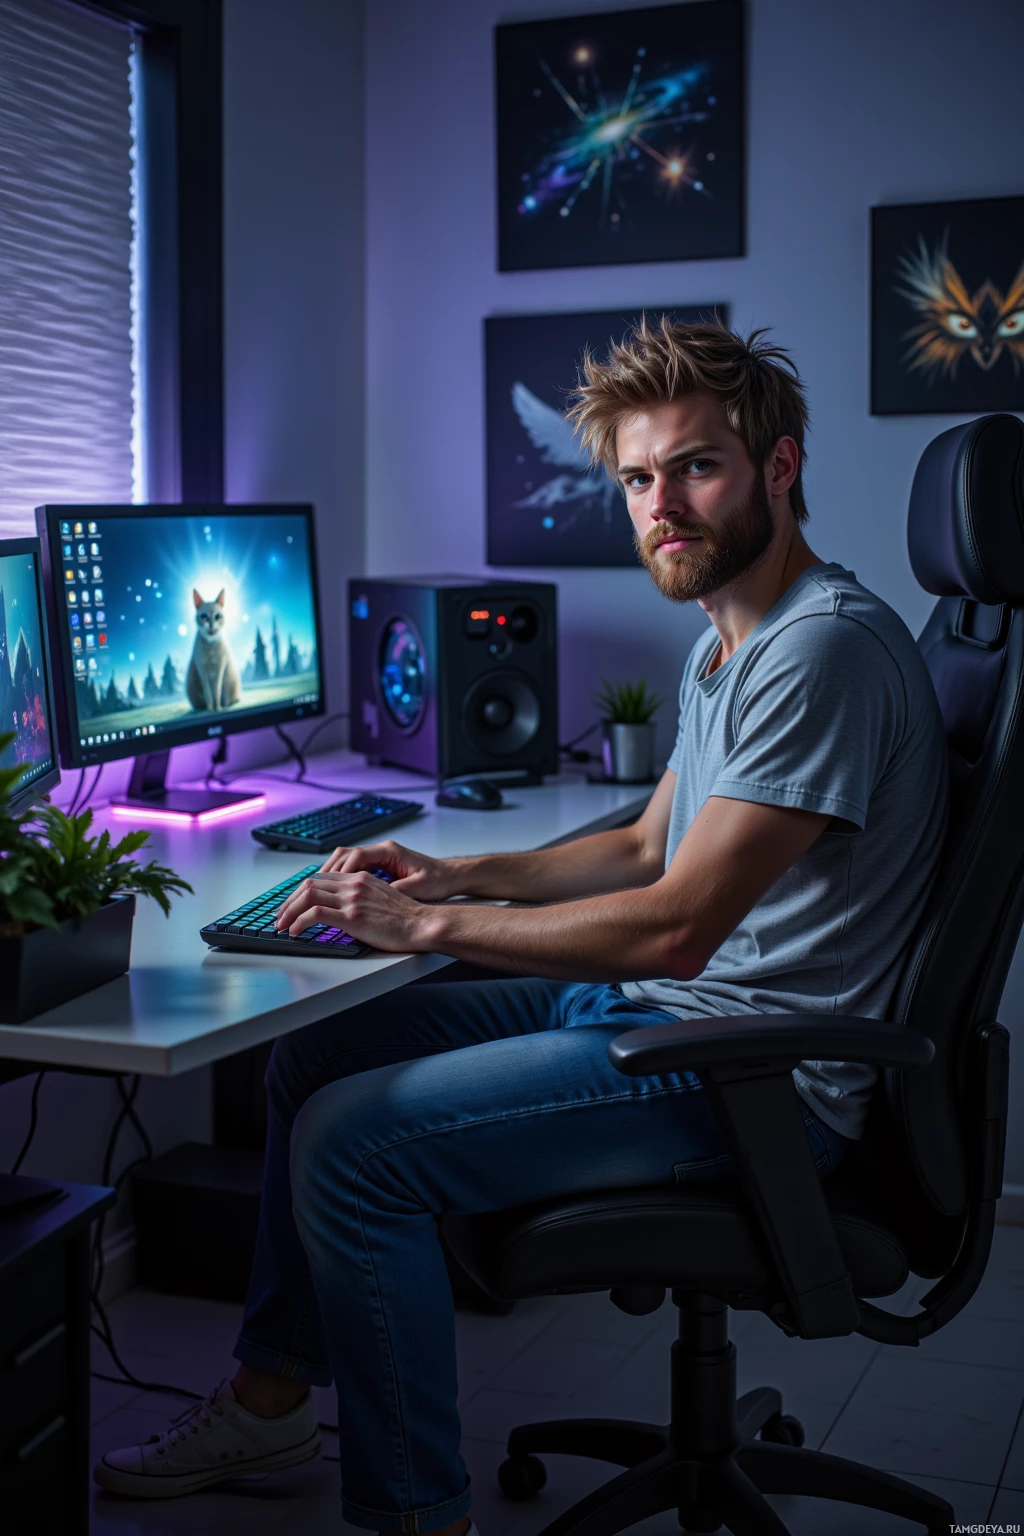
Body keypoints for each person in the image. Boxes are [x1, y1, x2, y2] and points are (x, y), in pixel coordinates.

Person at [94, 320, 948, 1532]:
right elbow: (645, 847)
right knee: (314, 1057)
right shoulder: (734, 637)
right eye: (641, 479)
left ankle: (415, 1515)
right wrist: (451, 875)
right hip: (672, 1018)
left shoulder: (820, 653)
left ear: (779, 466)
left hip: (752, 1068)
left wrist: (413, 929)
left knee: (352, 1147)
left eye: (696, 467)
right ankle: (272, 1393)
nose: (664, 505)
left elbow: (673, 933)